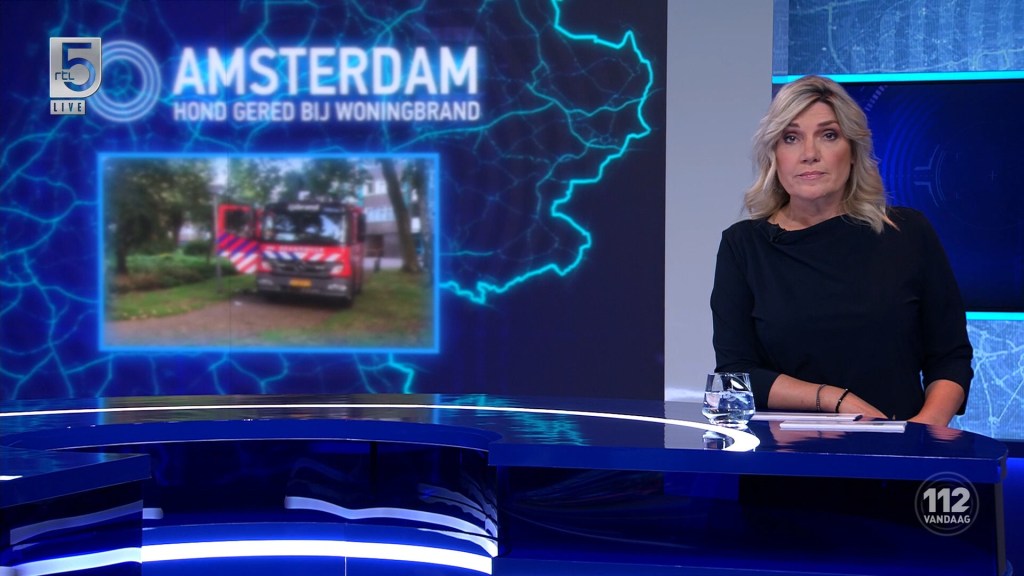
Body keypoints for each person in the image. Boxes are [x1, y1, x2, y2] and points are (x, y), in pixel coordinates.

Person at [710, 75, 973, 426]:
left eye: (828, 135)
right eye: (791, 138)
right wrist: (836, 400)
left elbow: (950, 357)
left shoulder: (908, 233)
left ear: (852, 152)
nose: (809, 154)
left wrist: (921, 434)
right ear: (774, 155)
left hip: (898, 450)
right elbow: (735, 377)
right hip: (785, 454)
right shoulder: (743, 246)